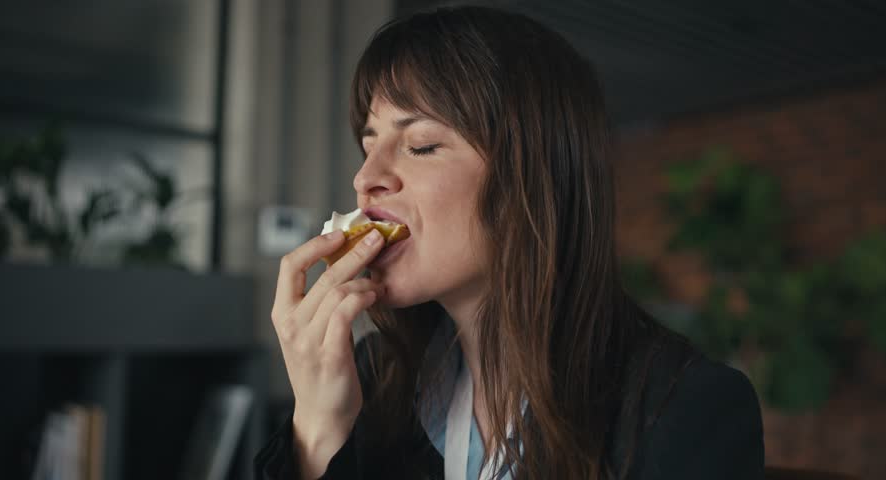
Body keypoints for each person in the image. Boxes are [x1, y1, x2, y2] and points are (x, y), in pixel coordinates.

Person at [256, 6, 764, 480]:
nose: (366, 178)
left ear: (532, 177)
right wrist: (319, 431)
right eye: (368, 146)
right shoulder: (370, 377)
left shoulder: (683, 407)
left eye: (421, 145)